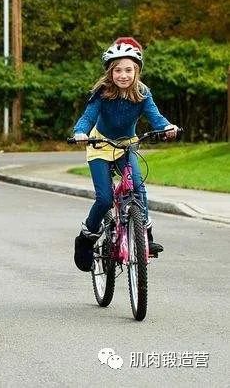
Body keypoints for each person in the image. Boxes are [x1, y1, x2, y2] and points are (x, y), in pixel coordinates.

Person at [71, 37, 178, 272]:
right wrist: (80, 132)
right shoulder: (102, 93)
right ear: (110, 72)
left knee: (138, 188)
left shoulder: (142, 93)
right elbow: (88, 117)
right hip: (100, 145)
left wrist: (167, 127)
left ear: (136, 71)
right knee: (105, 199)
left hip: (127, 145)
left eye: (128, 70)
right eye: (118, 70)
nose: (123, 75)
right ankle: (86, 238)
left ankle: (145, 237)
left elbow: (155, 116)